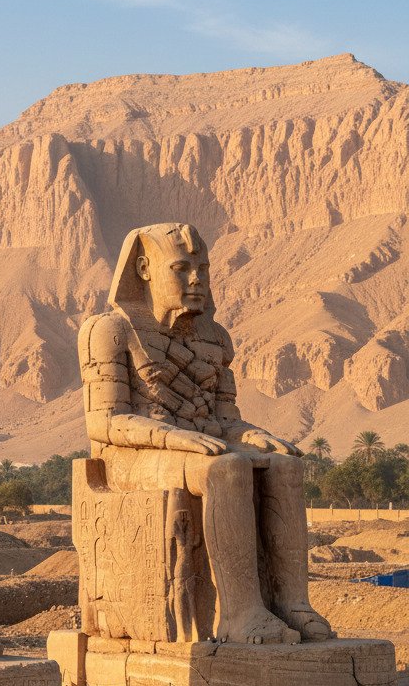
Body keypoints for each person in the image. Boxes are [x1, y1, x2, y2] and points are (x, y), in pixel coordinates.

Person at [78, 222, 332, 644]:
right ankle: (240, 613)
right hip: (129, 456)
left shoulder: (215, 338)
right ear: (144, 269)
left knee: (284, 467)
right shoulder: (109, 329)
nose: (196, 279)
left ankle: (292, 603)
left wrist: (249, 434)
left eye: (203, 269)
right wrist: (174, 438)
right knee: (226, 470)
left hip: (197, 446)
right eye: (181, 268)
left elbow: (225, 418)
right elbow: (103, 422)